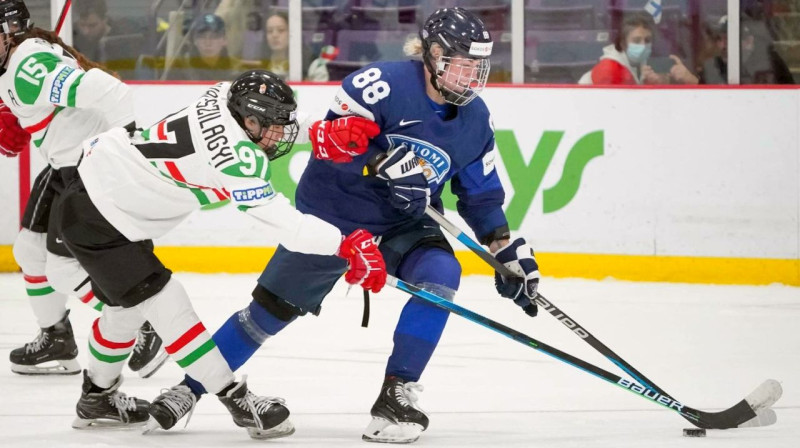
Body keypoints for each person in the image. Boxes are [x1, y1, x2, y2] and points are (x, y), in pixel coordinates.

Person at [157, 7, 541, 444]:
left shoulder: (477, 120)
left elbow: (481, 194)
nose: (472, 78)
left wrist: (503, 247)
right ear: (434, 55)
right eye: (463, 65)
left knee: (441, 273)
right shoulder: (380, 84)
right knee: (264, 316)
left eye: (479, 68)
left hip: (404, 222)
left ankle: (395, 396)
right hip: (333, 217)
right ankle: (187, 389)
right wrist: (380, 164)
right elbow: (336, 142)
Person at [53, 69, 387, 436]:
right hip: (103, 214)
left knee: (126, 309)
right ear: (248, 120)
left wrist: (316, 131)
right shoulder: (237, 160)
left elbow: (266, 109)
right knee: (167, 301)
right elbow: (285, 224)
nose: (280, 134)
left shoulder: (223, 92)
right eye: (273, 126)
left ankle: (96, 397)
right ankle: (235, 398)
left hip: (105, 193)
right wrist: (343, 243)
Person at [0, 0, 165, 378]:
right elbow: (18, 131)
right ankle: (57, 339)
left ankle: (144, 325)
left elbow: (116, 94)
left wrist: (121, 154)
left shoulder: (29, 65)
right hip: (65, 165)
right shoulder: (18, 62)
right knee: (29, 250)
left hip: (89, 169)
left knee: (62, 270)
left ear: (10, 34)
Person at [579, 13, 698, 85]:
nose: (643, 45)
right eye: (636, 41)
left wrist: (689, 80)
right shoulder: (609, 69)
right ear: (622, 44)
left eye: (647, 40)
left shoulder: (642, 65)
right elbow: (627, 113)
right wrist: (651, 87)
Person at [699, 15, 793, 85]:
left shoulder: (770, 62)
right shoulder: (712, 66)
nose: (722, 45)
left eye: (729, 39)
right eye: (719, 39)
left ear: (749, 41)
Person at [167, 13, 241, 82]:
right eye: (202, 37)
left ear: (224, 40)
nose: (208, 43)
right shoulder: (180, 68)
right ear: (195, 40)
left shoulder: (237, 68)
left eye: (214, 37)